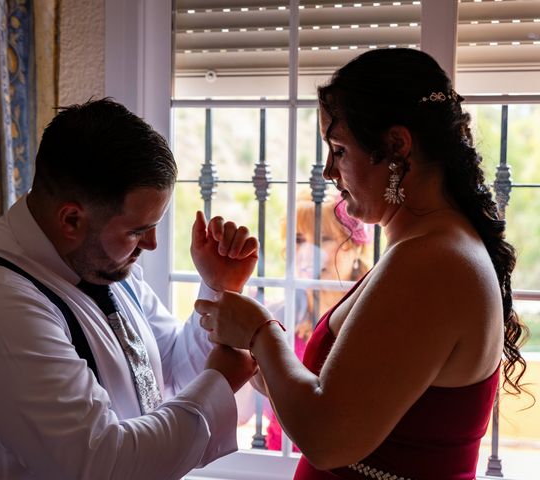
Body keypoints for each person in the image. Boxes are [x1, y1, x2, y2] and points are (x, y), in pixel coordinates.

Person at [195, 48, 529, 480]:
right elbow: (306, 400)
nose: (329, 171)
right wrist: (232, 302)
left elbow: (328, 438)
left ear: (395, 146)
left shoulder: (435, 262)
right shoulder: (422, 248)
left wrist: (260, 331)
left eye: (338, 149)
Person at [0, 98, 260, 480]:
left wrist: (217, 289)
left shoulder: (103, 267)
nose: (152, 245)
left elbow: (171, 372)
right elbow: (101, 464)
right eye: (137, 230)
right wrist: (219, 385)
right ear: (72, 219)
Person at [265, 191, 372, 451]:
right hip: (274, 458)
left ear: (356, 247)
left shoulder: (373, 314)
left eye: (322, 239)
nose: (307, 253)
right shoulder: (278, 315)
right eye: (299, 240)